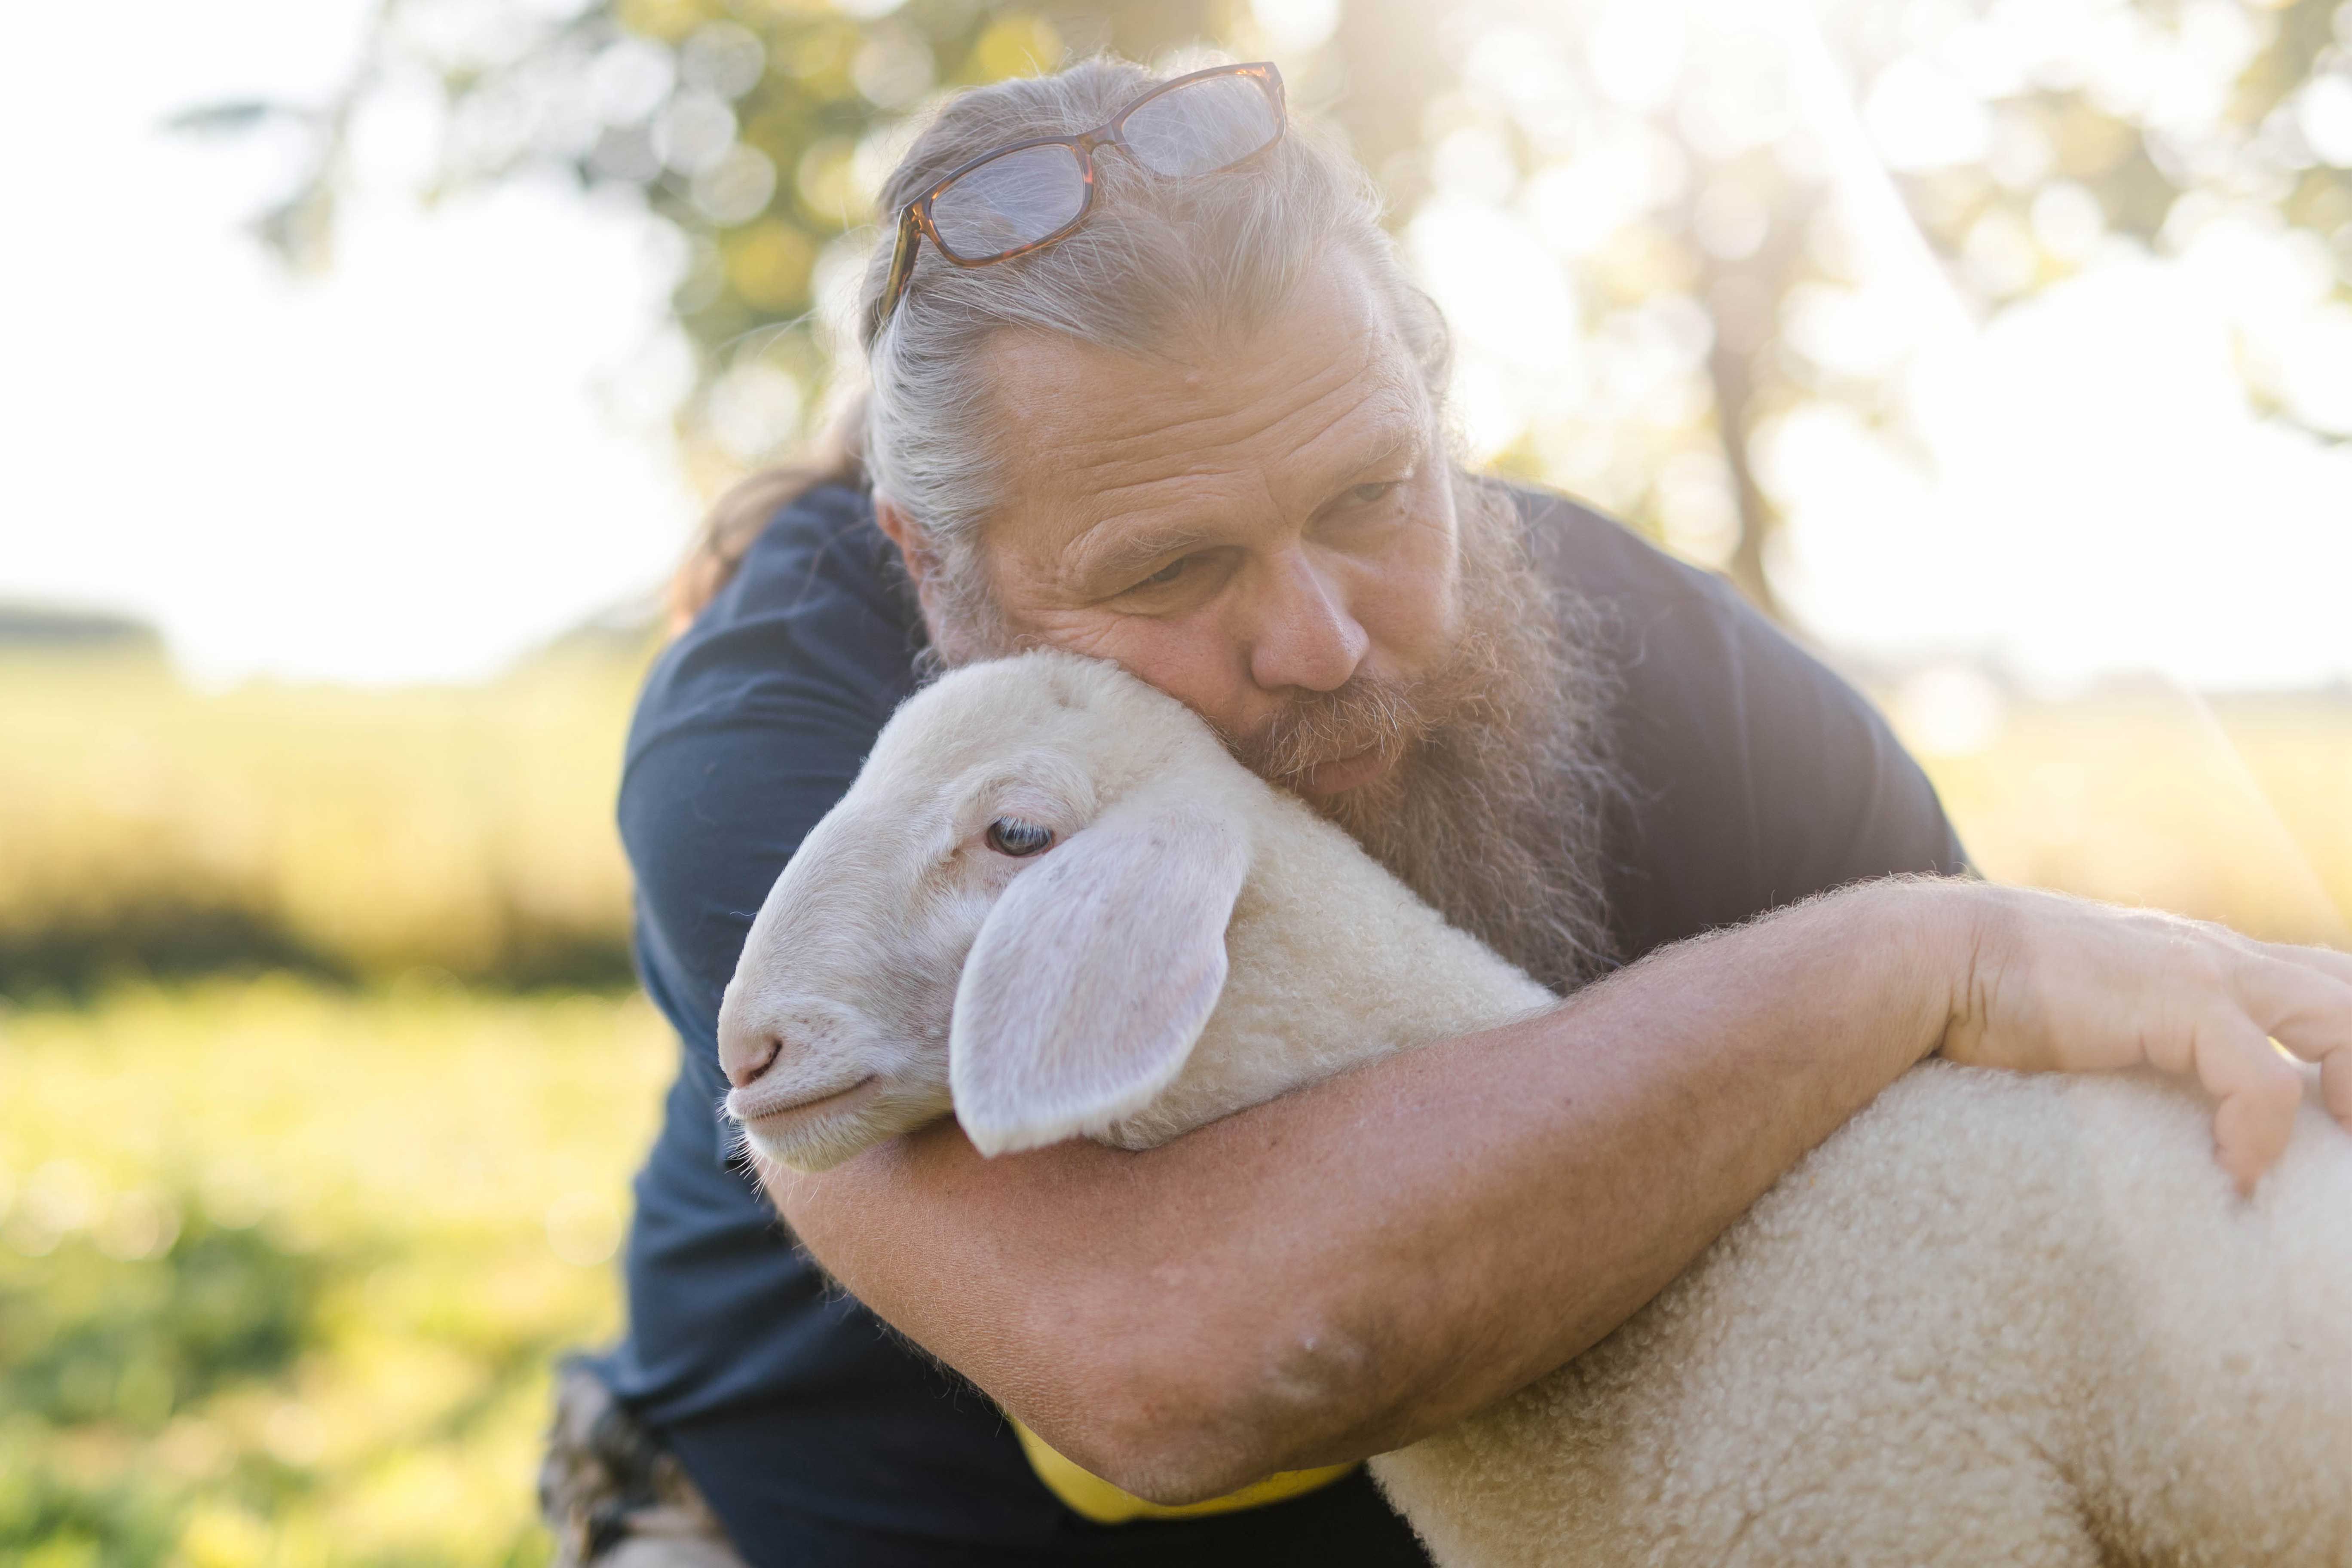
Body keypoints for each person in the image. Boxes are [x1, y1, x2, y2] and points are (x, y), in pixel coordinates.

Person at [542, 56, 2352, 1568]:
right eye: (1172, 569)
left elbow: (1983, 1251)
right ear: (936, 572)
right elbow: (1174, 1362)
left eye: (1371, 494)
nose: (1323, 639)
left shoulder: (1688, 688)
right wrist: (1910, 961)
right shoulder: (787, 756)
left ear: (1435, 403)